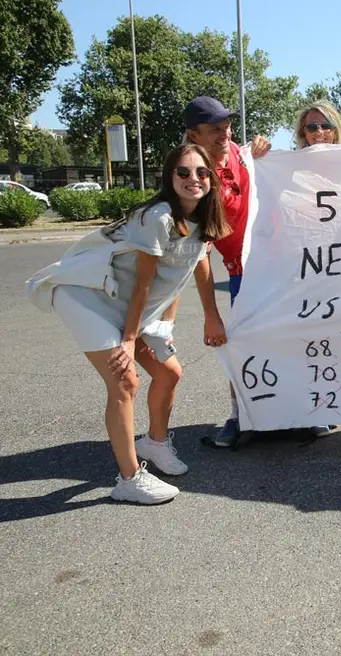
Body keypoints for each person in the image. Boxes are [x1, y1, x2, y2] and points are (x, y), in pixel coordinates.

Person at [25, 144, 231, 503]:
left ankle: (154, 443)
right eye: (183, 172)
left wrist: (202, 317)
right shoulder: (159, 217)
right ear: (169, 177)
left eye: (201, 172)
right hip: (89, 298)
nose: (193, 179)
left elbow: (194, 269)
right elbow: (144, 283)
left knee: (169, 372)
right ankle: (129, 478)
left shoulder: (204, 218)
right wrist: (129, 339)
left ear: (211, 179)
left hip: (134, 309)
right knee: (125, 380)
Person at [175, 96, 285, 448]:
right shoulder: (195, 179)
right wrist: (211, 315)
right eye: (214, 129)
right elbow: (199, 254)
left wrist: (264, 153)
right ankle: (242, 417)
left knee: (291, 341)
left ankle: (298, 413)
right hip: (244, 276)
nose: (225, 133)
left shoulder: (244, 155)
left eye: (227, 125)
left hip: (283, 267)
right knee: (244, 349)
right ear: (193, 134)